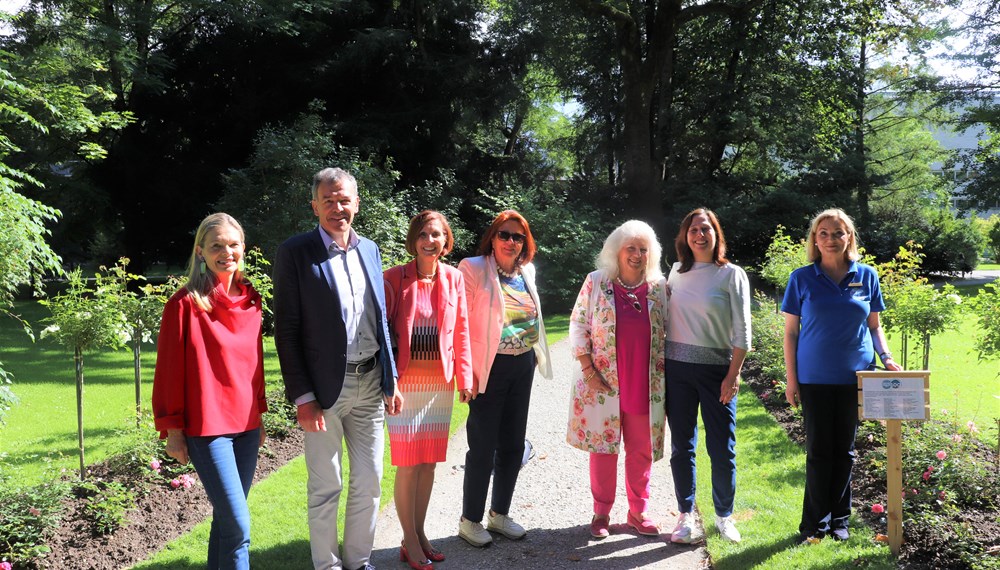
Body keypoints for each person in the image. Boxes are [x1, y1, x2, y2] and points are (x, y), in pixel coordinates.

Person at [273, 167, 403, 570]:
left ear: (357, 203)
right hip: (325, 390)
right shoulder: (295, 253)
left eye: (344, 199)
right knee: (326, 485)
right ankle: (327, 566)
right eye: (328, 200)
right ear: (315, 205)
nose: (337, 207)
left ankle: (358, 562)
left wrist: (390, 377)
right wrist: (304, 397)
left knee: (370, 481)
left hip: (370, 383)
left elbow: (380, 319)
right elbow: (287, 330)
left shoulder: (370, 249)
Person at [152, 212, 267, 570]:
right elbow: (169, 372)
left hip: (247, 426)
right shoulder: (185, 304)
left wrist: (260, 416)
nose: (226, 252)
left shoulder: (251, 300)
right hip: (207, 428)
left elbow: (255, 366)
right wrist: (173, 429)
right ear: (200, 251)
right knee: (238, 524)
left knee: (226, 524)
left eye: (233, 245)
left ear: (243, 249)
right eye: (216, 245)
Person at [782, 208, 902, 543]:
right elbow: (790, 333)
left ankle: (840, 521)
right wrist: (792, 380)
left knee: (845, 451)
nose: (831, 239)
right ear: (815, 240)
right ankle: (813, 525)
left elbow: (875, 327)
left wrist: (887, 357)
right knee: (819, 451)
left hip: (856, 378)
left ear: (849, 236)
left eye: (838, 232)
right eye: (824, 233)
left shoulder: (867, 276)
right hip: (815, 378)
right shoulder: (802, 278)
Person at [566, 220, 669, 539]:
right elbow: (577, 324)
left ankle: (638, 512)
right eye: (631, 248)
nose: (637, 255)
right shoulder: (596, 282)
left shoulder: (658, 288)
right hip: (603, 385)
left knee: (641, 451)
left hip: (644, 383)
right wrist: (587, 369)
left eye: (643, 249)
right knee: (603, 449)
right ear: (617, 251)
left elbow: (671, 329)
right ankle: (601, 513)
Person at [456, 209, 553, 547]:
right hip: (490, 367)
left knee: (512, 444)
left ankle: (499, 514)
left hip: (521, 364)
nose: (511, 242)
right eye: (505, 235)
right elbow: (461, 324)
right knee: (482, 446)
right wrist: (464, 373)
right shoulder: (473, 268)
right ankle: (470, 520)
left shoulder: (528, 271)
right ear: (492, 239)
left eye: (518, 237)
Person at [383, 211, 474, 570]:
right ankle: (408, 540)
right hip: (405, 384)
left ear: (445, 241)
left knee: (429, 466)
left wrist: (465, 377)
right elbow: (381, 332)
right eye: (423, 234)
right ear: (413, 239)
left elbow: (462, 331)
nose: (430, 240)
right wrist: (388, 383)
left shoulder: (453, 278)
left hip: (440, 384)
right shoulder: (393, 278)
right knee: (407, 465)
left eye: (436, 234)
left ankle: (419, 535)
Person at [665, 207, 751, 545]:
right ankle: (685, 515)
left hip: (719, 372)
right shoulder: (674, 272)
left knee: (721, 448)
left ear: (717, 234)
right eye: (693, 230)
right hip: (677, 370)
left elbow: (743, 331)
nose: (700, 235)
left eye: (706, 229)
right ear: (685, 237)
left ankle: (723, 516)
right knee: (682, 446)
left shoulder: (731, 274)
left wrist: (734, 374)